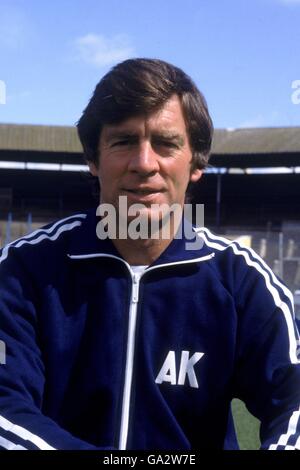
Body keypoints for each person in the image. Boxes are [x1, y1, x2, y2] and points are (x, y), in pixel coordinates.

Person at [0, 58, 299, 451]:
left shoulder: (241, 281)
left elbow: (293, 401)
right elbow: (6, 411)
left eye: (166, 143)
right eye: (123, 141)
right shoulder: (24, 271)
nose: (144, 164)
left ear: (196, 163)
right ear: (93, 158)